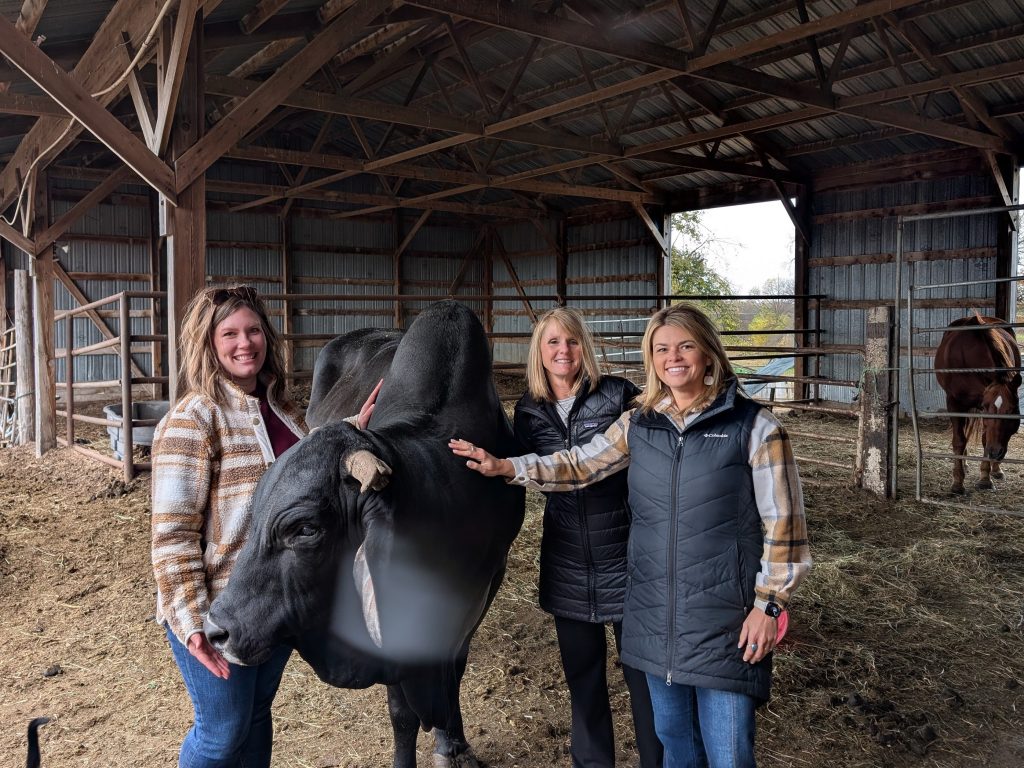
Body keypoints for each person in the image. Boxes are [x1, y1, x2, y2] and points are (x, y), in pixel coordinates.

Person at [450, 304, 811, 768]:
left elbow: (785, 527)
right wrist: (504, 466)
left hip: (716, 611)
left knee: (727, 751)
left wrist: (769, 605)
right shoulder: (639, 421)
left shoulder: (755, 428)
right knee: (675, 741)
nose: (673, 358)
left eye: (685, 346)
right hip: (649, 606)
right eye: (662, 349)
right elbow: (579, 464)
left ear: (708, 353)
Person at [151, 285, 307, 768]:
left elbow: (308, 471)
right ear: (209, 343)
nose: (245, 343)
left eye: (253, 330)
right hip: (220, 609)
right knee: (221, 733)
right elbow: (173, 534)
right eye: (230, 334)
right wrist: (192, 621)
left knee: (256, 715)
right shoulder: (193, 419)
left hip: (273, 603)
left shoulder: (283, 410)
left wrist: (352, 428)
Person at [513, 308, 662, 768]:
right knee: (583, 680)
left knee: (645, 680)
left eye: (573, 341)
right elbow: (510, 465)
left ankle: (658, 760)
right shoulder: (527, 411)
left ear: (585, 347)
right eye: (553, 342)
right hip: (567, 560)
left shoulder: (618, 395)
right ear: (539, 351)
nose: (564, 351)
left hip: (628, 555)